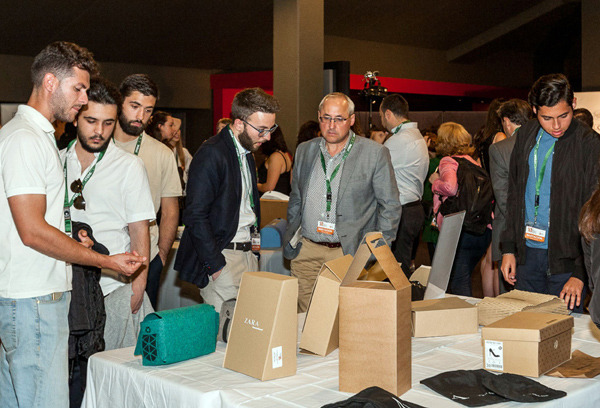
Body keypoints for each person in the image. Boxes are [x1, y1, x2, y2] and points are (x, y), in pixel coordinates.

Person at [0, 41, 144, 408]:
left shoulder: (29, 136)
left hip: (28, 296)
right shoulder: (26, 140)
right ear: (50, 82)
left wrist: (70, 234)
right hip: (32, 299)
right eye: (78, 88)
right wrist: (106, 260)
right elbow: (31, 231)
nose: (83, 98)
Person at [60, 77, 155, 404]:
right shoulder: (57, 159)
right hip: (66, 291)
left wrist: (137, 287)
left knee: (112, 385)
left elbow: (140, 231)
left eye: (107, 123)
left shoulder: (129, 166)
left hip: (113, 289)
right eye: (91, 121)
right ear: (75, 117)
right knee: (70, 382)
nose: (99, 130)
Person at [283, 92, 401, 312]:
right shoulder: (305, 150)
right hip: (307, 251)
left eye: (339, 119)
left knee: (344, 319)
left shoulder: (374, 154)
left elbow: (390, 206)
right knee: (305, 321)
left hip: (348, 252)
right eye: (326, 118)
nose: (331, 125)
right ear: (319, 117)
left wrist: (377, 251)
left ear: (352, 120)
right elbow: (296, 198)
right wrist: (294, 233)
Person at [501, 73, 600, 311]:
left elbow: (594, 213)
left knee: (564, 333)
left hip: (568, 259)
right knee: (526, 326)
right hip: (527, 254)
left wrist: (581, 272)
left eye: (563, 116)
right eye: (547, 118)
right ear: (535, 110)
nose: (556, 126)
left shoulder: (589, 144)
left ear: (573, 104)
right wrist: (508, 248)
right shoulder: (525, 136)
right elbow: (514, 194)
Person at [175, 88, 280, 312]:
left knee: (246, 333)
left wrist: (254, 253)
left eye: (270, 129)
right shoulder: (212, 153)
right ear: (239, 123)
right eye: (261, 130)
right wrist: (215, 265)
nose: (268, 137)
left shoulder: (246, 152)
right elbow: (195, 215)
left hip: (248, 255)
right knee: (226, 340)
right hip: (224, 257)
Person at [113, 74, 182, 309]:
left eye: (147, 110)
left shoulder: (162, 153)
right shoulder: (97, 144)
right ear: (119, 102)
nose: (140, 116)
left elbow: (170, 210)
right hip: (102, 255)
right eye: (134, 106)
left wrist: (161, 257)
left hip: (146, 258)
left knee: (143, 334)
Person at [430, 122, 492, 297]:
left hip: (458, 229)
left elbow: (450, 187)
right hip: (481, 230)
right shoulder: (474, 163)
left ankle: (465, 320)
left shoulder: (448, 162)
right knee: (464, 276)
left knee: (459, 282)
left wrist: (434, 182)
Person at [380, 94, 429, 277]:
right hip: (414, 208)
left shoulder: (398, 141)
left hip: (402, 212)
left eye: (381, 116)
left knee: (395, 269)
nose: (382, 122)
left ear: (388, 114)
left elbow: (373, 169)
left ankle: (398, 304)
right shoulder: (415, 136)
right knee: (403, 264)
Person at [488, 99, 533, 294]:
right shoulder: (542, 143)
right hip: (539, 232)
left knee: (509, 296)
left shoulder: (499, 149)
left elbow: (503, 197)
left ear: (507, 121)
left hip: (509, 232)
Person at [257, 127, 292, 195]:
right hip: (280, 200)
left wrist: (255, 185)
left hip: (273, 202)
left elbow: (269, 187)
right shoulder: (285, 154)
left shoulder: (276, 157)